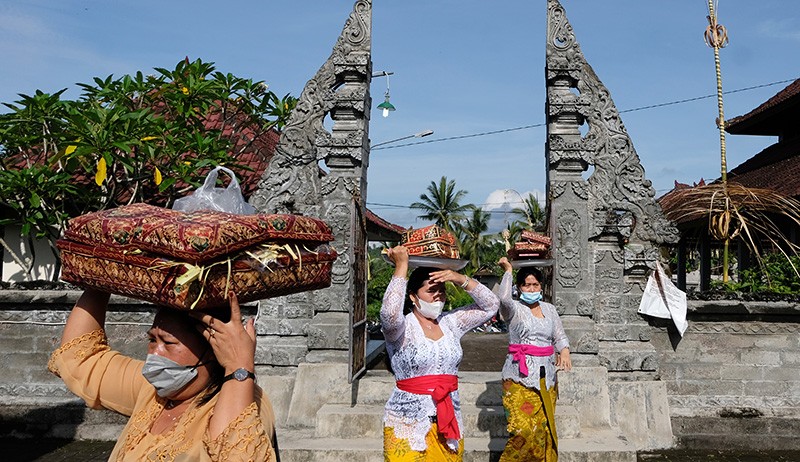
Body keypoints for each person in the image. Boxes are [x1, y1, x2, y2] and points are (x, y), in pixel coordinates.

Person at [48, 288, 278, 461]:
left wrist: (239, 366)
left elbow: (236, 454)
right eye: (152, 340)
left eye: (168, 342)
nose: (155, 353)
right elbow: (79, 359)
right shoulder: (151, 392)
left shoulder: (251, 401)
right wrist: (99, 284)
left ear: (214, 348)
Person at [381, 246, 500, 461]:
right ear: (413, 297)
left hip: (449, 420)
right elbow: (389, 314)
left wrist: (458, 278)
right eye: (430, 291)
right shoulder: (401, 328)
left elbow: (491, 306)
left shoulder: (451, 323)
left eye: (441, 291)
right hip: (407, 422)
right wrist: (401, 267)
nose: (438, 296)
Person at [497, 257, 571, 461]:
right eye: (526, 285)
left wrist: (564, 351)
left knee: (542, 430)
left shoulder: (550, 309)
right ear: (519, 287)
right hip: (518, 379)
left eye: (535, 284)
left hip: (546, 380)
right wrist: (508, 271)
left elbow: (560, 336)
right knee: (522, 431)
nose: (531, 289)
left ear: (541, 286)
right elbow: (503, 299)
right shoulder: (513, 308)